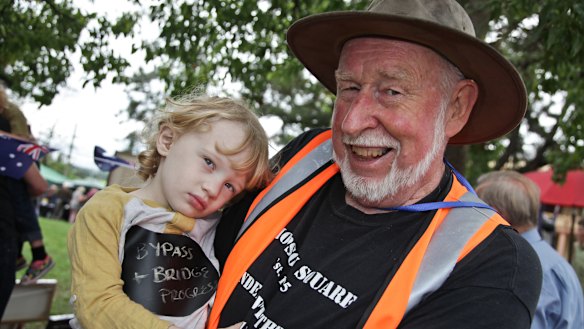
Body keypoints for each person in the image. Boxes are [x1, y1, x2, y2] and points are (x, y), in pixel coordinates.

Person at [210, 1, 543, 328]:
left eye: (392, 91)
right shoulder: (306, 154)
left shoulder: (489, 261)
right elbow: (202, 248)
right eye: (350, 88)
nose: (352, 123)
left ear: (456, 107)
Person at [67, 92, 272, 329]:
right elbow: (96, 305)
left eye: (230, 186)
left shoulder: (213, 226)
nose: (213, 188)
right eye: (209, 162)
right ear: (167, 140)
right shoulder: (108, 211)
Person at [476, 171, 584, 329]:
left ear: (497, 213)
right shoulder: (552, 262)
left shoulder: (518, 268)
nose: (470, 217)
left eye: (475, 208)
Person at [0, 84, 53, 285]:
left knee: (17, 192)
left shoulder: (12, 115)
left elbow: (23, 142)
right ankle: (27, 254)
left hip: (22, 156)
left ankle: (38, 254)